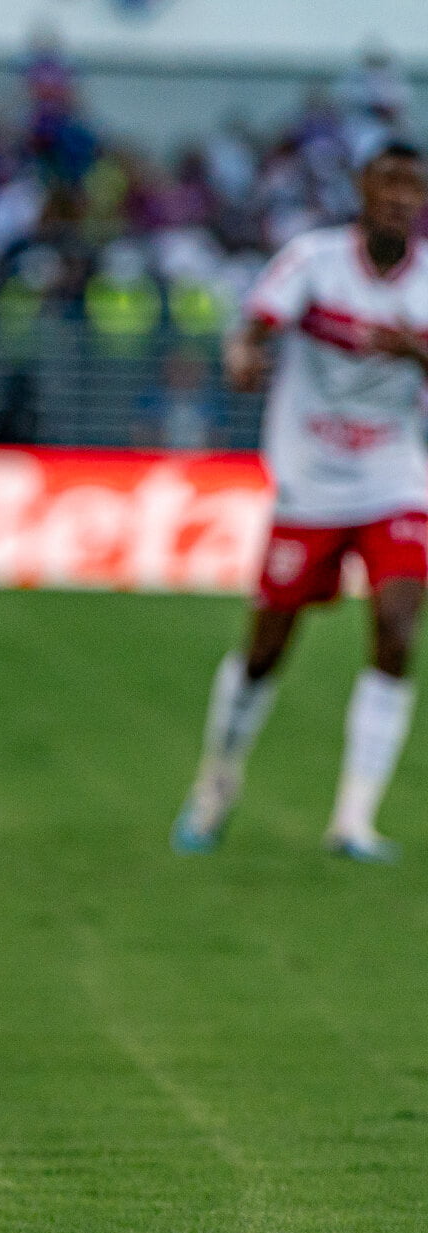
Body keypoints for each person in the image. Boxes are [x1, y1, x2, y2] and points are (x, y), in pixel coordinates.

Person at [173, 143, 428, 862]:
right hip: (311, 480)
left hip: (394, 476)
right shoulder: (313, 261)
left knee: (398, 626)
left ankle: (353, 819)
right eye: (389, 185)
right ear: (363, 191)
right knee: (266, 649)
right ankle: (216, 780)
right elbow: (255, 328)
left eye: (414, 188)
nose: (402, 199)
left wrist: (418, 354)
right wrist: (244, 358)